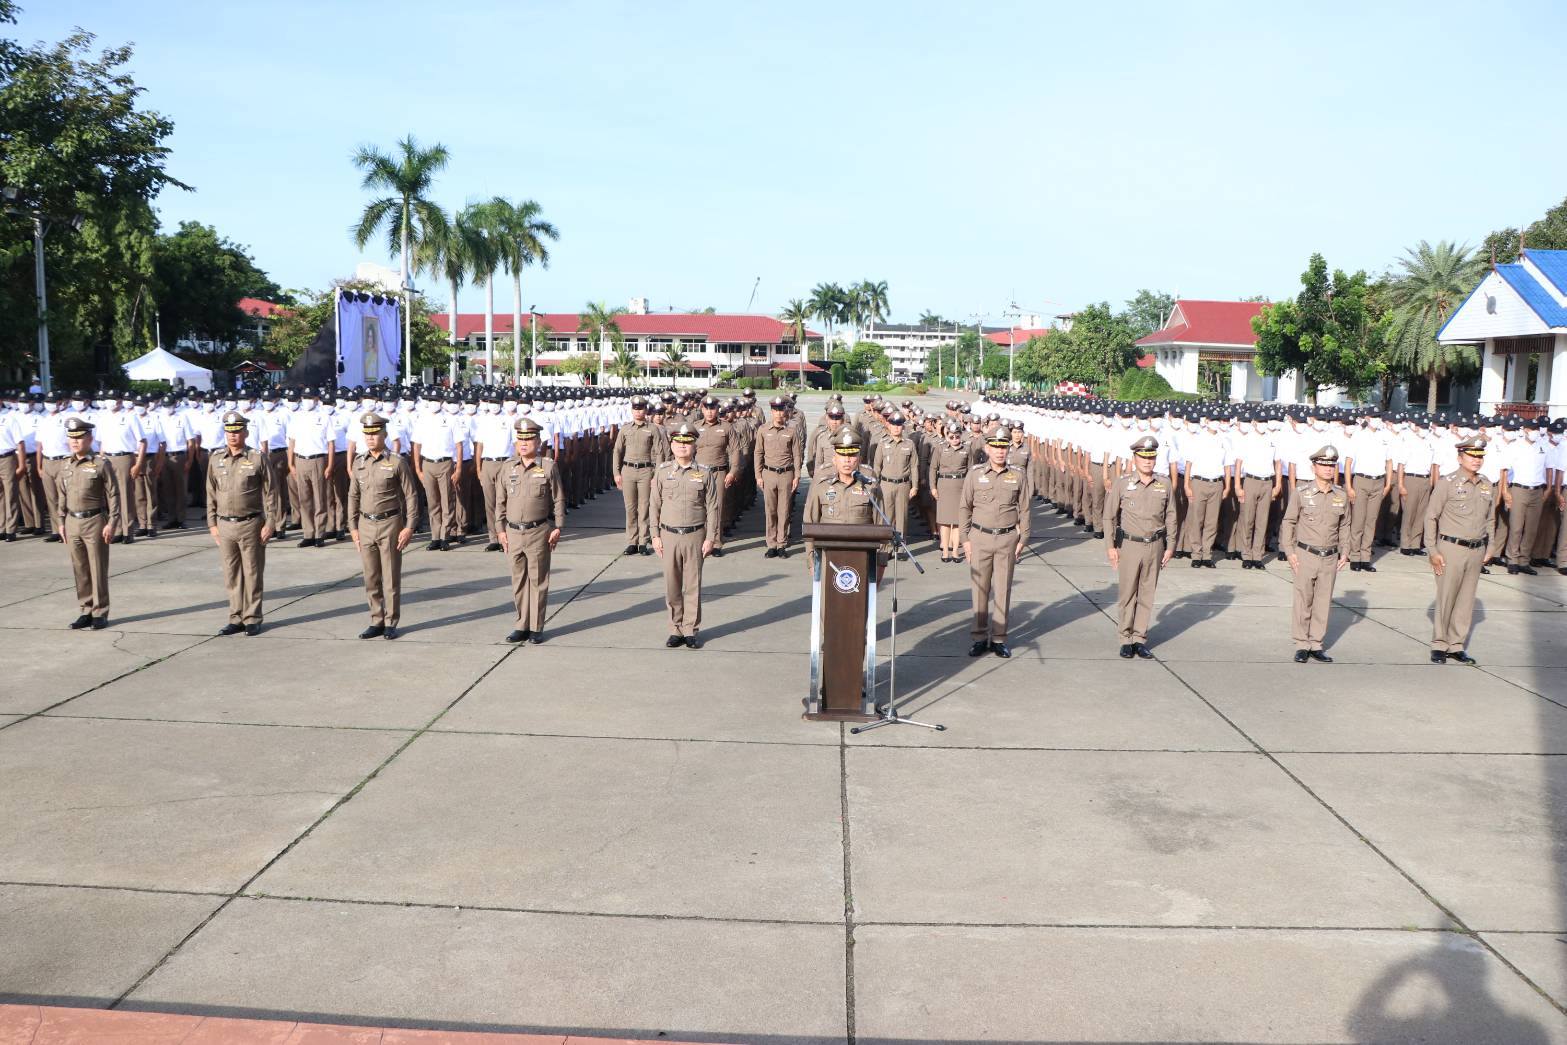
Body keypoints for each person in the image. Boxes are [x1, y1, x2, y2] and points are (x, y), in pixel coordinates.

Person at [959, 425, 1032, 658]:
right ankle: (979, 637)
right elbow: (964, 507)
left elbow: (1025, 509)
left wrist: (1023, 538)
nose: (1000, 451)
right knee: (979, 590)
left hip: (1007, 539)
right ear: (987, 448)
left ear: (1008, 449)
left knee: (1002, 590)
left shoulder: (1018, 475)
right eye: (996, 447)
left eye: (1004, 447)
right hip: (979, 538)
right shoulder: (975, 474)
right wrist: (965, 540)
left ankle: (999, 638)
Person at [206, 410, 280, 637]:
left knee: (252, 572)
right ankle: (235, 617)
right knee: (231, 574)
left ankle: (253, 617)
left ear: (246, 433)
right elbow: (211, 492)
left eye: (237, 431)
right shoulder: (216, 459)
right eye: (229, 431)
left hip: (251, 523)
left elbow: (271, 492)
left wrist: (270, 522)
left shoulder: (257, 458)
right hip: (225, 524)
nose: (233, 435)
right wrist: (212, 523)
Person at [1104, 436, 1176, 658]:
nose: (1147, 461)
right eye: (1143, 457)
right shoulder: (1122, 483)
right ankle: (1125, 638)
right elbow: (1109, 517)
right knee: (1127, 593)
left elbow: (1171, 515)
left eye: (1151, 457)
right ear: (1134, 458)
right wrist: (1110, 547)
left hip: (1155, 545)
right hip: (1130, 545)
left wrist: (1171, 545)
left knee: (1147, 594)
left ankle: (1139, 638)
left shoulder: (1164, 484)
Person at [348, 412, 419, 640]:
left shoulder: (396, 462)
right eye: (367, 434)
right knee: (370, 577)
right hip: (365, 524)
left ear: (384, 434)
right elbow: (353, 496)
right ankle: (376, 620)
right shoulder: (359, 462)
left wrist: (409, 526)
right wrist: (353, 528)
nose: (370, 438)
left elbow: (411, 495)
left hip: (390, 524)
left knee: (390, 576)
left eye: (375, 433)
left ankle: (390, 621)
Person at [495, 416, 564, 645]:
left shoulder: (548, 467)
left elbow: (558, 499)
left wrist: (558, 527)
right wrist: (500, 530)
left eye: (529, 439)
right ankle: (521, 625)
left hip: (538, 531)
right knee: (518, 581)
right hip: (513, 532)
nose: (524, 443)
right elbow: (500, 502)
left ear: (538, 442)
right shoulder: (507, 468)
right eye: (520, 439)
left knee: (537, 580)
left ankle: (536, 627)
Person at [1424, 436, 1494, 665]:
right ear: (1460, 457)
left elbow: (1490, 518)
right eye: (1471, 456)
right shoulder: (1447, 483)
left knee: (1466, 600)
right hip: (1450, 548)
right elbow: (1431, 517)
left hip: (1476, 549)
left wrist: (1491, 545)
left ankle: (1456, 645)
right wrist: (1433, 550)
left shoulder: (1486, 484)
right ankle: (1439, 644)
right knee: (1446, 597)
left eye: (1480, 456)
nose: (1476, 460)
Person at [650, 422, 719, 649]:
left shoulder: (705, 473)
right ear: (671, 445)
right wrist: (655, 535)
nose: (682, 446)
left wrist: (710, 537)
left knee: (692, 585)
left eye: (687, 442)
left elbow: (713, 507)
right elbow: (654, 505)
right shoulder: (662, 472)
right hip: (668, 535)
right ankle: (675, 629)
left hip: (695, 535)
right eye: (678, 442)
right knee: (672, 585)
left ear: (694, 445)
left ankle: (690, 629)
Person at [1280, 445, 1351, 663]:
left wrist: (1345, 551)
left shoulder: (1341, 495)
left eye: (1332, 465)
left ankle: (1316, 644)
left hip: (1329, 556)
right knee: (1304, 600)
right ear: (1314, 467)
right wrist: (1289, 551)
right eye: (1323, 465)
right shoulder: (1301, 493)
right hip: (1306, 554)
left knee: (1323, 601)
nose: (1328, 469)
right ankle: (1302, 644)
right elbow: (1289, 522)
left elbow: (1344, 525)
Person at [56, 416, 120, 628]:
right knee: (80, 568)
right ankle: (86, 609)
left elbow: (113, 494)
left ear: (90, 439)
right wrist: (60, 521)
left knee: (97, 568)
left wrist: (112, 522)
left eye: (79, 437)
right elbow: (62, 495)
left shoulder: (101, 464)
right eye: (71, 437)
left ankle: (100, 612)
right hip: (72, 521)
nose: (75, 441)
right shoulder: (66, 464)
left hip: (94, 521)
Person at [803, 427, 881, 562]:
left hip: (862, 557)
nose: (847, 460)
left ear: (859, 458)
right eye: (842, 455)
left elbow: (881, 525)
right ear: (834, 459)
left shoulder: (870, 486)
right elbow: (810, 523)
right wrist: (811, 560)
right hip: (828, 555)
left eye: (852, 455)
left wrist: (880, 562)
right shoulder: (822, 485)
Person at [612, 395, 666, 556]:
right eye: (635, 409)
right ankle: (632, 542)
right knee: (630, 508)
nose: (638, 412)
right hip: (628, 470)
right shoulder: (625, 428)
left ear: (645, 410)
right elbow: (617, 451)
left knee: (644, 507)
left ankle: (643, 541)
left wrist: (657, 475)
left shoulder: (652, 429)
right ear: (631, 410)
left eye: (641, 409)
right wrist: (616, 473)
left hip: (645, 471)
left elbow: (660, 453)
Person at [754, 395, 803, 557]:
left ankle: (782, 544)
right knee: (770, 510)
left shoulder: (792, 431)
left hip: (786, 474)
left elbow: (797, 454)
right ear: (771, 412)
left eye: (781, 410)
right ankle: (771, 544)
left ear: (785, 411)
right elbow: (758, 453)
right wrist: (758, 475)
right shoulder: (763, 430)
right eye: (775, 410)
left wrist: (797, 475)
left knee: (784, 510)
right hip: (768, 474)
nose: (779, 414)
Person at [874, 412, 919, 556]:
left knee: (902, 517)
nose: (896, 428)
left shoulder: (909, 444)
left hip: (903, 485)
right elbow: (877, 466)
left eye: (899, 425)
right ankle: (886, 547)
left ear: (902, 427)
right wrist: (875, 484)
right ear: (889, 425)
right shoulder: (883, 443)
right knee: (887, 516)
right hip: (886, 484)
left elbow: (914, 466)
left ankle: (900, 547)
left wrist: (915, 486)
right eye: (893, 424)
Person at [929, 423, 970, 563]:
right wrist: (933, 487)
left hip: (961, 486)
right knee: (944, 521)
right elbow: (933, 468)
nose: (954, 439)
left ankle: (956, 551)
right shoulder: (940, 448)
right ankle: (945, 551)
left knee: (958, 521)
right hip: (944, 486)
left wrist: (970, 489)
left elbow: (971, 470)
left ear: (960, 436)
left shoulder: (967, 449)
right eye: (951, 437)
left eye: (957, 436)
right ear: (947, 436)